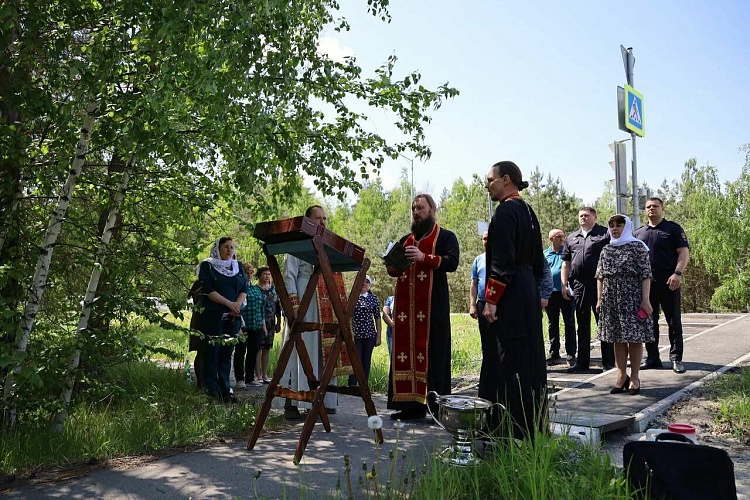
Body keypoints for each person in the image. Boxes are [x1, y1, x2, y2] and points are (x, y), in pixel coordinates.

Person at [481, 161, 547, 439]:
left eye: (490, 180)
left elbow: (503, 261)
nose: (488, 186)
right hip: (527, 291)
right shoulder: (528, 211)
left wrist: (491, 299)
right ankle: (531, 427)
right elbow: (536, 259)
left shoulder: (505, 211)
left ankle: (506, 430)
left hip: (509, 294)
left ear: (506, 179)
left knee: (506, 358)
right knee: (529, 357)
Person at [385, 194, 459, 420]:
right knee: (404, 354)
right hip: (406, 314)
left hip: (432, 310)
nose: (416, 212)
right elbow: (395, 271)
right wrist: (391, 265)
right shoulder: (405, 239)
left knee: (434, 355)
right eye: (413, 208)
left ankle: (437, 409)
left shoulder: (446, 236)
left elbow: (452, 262)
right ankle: (409, 407)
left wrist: (424, 257)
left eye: (420, 208)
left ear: (432, 209)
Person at [280, 205, 350, 419]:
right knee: (299, 350)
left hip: (325, 303)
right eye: (318, 218)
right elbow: (288, 275)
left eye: (325, 218)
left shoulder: (327, 244)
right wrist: (293, 305)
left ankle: (325, 400)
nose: (323, 222)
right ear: (308, 221)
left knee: (323, 352)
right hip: (304, 302)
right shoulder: (296, 243)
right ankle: (292, 402)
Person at [596, 214, 654, 395]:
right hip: (611, 298)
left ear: (627, 226)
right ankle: (621, 376)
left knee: (634, 338)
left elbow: (646, 275)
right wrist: (599, 299)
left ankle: (635, 377)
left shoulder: (638, 247)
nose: (615, 228)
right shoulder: (606, 249)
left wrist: (645, 300)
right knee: (617, 338)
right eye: (611, 225)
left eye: (619, 225)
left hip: (633, 297)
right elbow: (600, 276)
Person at [634, 197, 691, 374]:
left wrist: (678, 274)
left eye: (655, 206)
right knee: (648, 322)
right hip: (646, 285)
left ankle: (676, 358)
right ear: (645, 210)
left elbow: (683, 253)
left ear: (662, 208)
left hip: (669, 282)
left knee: (673, 320)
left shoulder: (672, 229)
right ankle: (652, 358)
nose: (652, 209)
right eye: (648, 207)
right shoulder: (638, 233)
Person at [561, 207, 615, 373]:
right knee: (582, 324)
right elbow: (566, 263)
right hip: (579, 285)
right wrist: (564, 284)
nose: (583, 218)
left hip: (601, 283)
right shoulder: (572, 237)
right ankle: (582, 362)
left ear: (595, 217)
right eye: (581, 216)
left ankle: (608, 362)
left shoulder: (605, 234)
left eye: (586, 215)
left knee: (603, 323)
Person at [198, 236, 247, 402]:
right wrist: (229, 304)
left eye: (232, 247)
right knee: (213, 352)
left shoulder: (237, 266)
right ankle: (212, 390)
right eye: (226, 247)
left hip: (233, 318)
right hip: (213, 316)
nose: (229, 250)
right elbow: (208, 290)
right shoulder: (208, 265)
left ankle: (226, 389)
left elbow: (244, 289)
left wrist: (236, 306)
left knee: (227, 354)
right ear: (218, 248)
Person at [544, 229, 577, 366]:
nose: (562, 238)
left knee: (569, 322)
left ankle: (571, 354)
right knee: (552, 323)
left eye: (563, 236)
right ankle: (554, 352)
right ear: (551, 239)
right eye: (558, 236)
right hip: (550, 293)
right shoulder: (545, 254)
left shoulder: (567, 252)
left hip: (566, 292)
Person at [235, 263, 265, 389]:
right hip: (243, 325)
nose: (249, 275)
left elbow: (261, 308)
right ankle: (239, 379)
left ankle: (249, 377)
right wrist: (238, 326)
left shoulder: (256, 289)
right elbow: (236, 307)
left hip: (256, 325)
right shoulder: (238, 288)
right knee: (240, 351)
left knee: (253, 352)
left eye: (251, 273)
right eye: (247, 272)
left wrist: (263, 325)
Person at [348, 275, 382, 386]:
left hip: (369, 335)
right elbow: (348, 316)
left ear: (369, 285)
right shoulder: (352, 297)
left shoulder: (373, 299)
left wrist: (378, 337)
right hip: (356, 336)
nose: (364, 284)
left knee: (366, 361)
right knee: (355, 359)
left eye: (366, 282)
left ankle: (363, 385)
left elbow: (377, 318)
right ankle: (352, 385)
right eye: (362, 281)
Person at [470, 231, 495, 361]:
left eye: (489, 238)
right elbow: (474, 283)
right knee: (486, 339)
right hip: (482, 303)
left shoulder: (500, 258)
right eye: (484, 239)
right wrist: (472, 305)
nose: (486, 241)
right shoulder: (478, 260)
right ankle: (487, 376)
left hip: (498, 303)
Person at [255, 266, 281, 384]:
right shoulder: (255, 289)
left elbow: (278, 307)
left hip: (271, 322)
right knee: (258, 348)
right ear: (259, 275)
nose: (267, 276)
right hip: (258, 321)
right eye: (264, 274)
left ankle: (265, 375)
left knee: (267, 348)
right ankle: (258, 375)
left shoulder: (274, 289)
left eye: (268, 274)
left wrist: (279, 322)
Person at [188, 279, 205, 389]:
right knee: (202, 352)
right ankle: (201, 383)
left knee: (203, 353)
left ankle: (203, 382)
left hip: (200, 320)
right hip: (201, 321)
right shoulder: (201, 283)